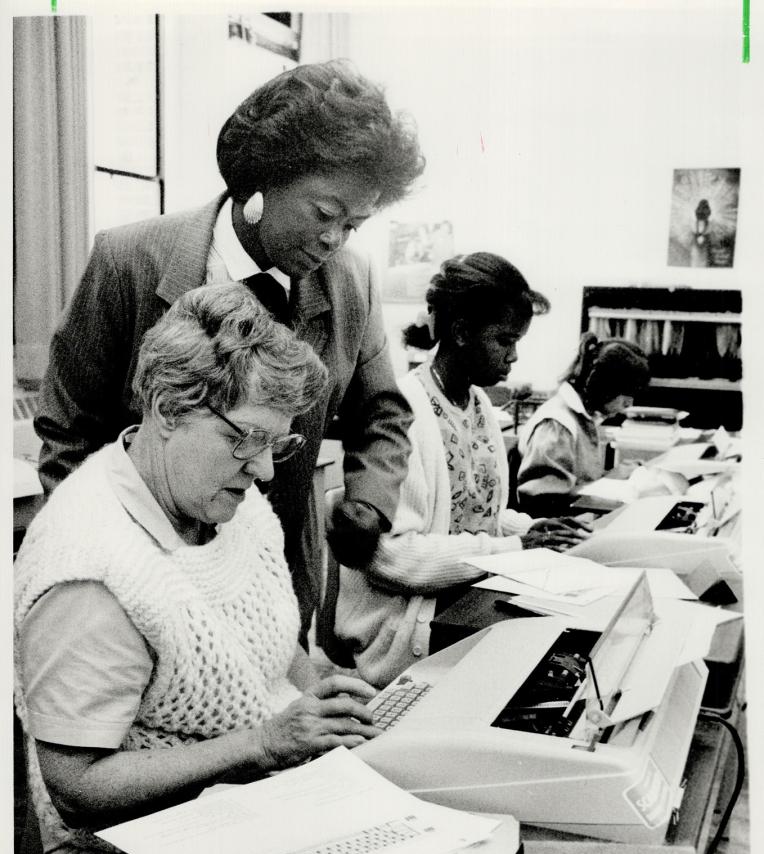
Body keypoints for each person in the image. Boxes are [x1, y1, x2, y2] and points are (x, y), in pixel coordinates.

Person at [34, 59, 426, 638]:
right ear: (258, 181)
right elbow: (69, 429)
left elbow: (383, 414)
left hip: (274, 590)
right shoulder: (128, 262)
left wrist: (369, 501)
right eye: (324, 213)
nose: (334, 239)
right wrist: (100, 560)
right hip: (141, 579)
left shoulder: (350, 281)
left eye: (354, 225)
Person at [15, 283, 380, 854]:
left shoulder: (225, 501)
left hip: (245, 805)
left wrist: (323, 690)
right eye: (245, 439)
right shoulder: (91, 572)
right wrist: (263, 745)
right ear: (167, 408)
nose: (263, 469)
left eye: (275, 444)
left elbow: (261, 645)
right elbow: (75, 788)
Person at [334, 253, 591, 689]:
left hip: (460, 598)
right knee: (551, 665)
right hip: (404, 631)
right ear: (460, 332)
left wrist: (532, 530)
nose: (513, 356)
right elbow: (391, 557)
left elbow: (473, 512)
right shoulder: (406, 412)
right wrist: (512, 548)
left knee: (571, 641)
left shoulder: (480, 406)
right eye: (504, 340)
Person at [517, 332, 651, 517]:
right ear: (604, 385)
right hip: (553, 530)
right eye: (626, 393)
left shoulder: (582, 417)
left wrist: (611, 476)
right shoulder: (557, 424)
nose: (630, 404)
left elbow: (575, 482)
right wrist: (610, 480)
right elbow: (543, 499)